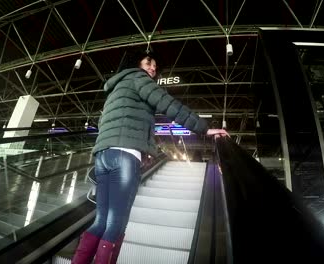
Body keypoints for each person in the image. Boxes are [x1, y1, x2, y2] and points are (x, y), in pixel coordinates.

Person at [71, 49, 228, 264]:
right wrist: (204, 128)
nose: (153, 68)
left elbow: (108, 124)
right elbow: (168, 104)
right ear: (137, 65)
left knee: (101, 221)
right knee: (116, 224)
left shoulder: (116, 88)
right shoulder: (139, 78)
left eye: (154, 66)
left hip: (103, 156)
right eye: (148, 63)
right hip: (124, 157)